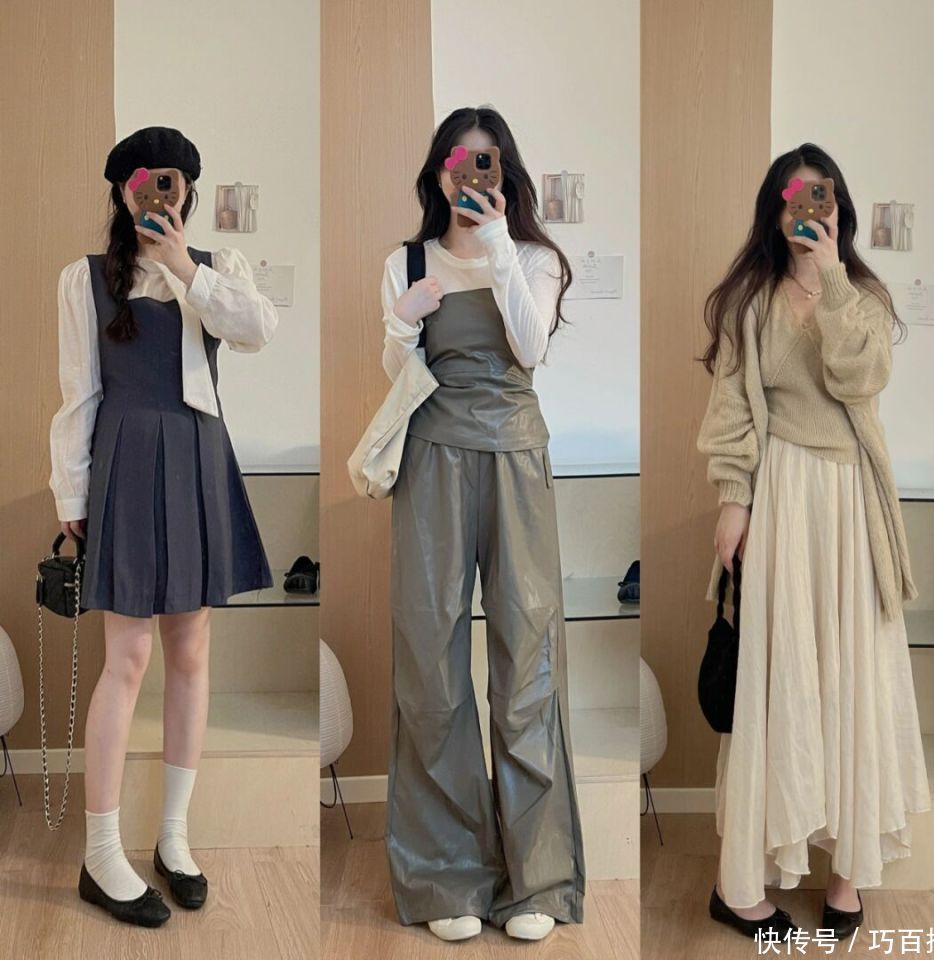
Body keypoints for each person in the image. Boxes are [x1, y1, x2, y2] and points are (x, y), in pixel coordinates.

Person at [697, 143, 931, 941]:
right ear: (775, 208)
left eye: (821, 198)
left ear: (839, 208)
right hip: (780, 499)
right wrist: (734, 499)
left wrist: (830, 276)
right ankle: (739, 889)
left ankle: (845, 876)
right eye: (795, 198)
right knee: (782, 682)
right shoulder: (749, 301)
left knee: (851, 680)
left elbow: (859, 379)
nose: (808, 211)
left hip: (850, 506)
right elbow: (733, 405)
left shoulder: (862, 296)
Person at [49, 126, 278, 927]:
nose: (157, 193)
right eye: (144, 180)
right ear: (123, 190)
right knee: (127, 658)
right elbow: (78, 392)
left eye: (171, 182)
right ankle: (100, 852)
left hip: (196, 455)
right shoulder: (84, 280)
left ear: (187, 192)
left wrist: (184, 266)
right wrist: (71, 490)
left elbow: (257, 331)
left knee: (190, 651)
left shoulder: (215, 269)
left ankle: (174, 836)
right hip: (125, 457)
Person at [378, 106, 586, 943]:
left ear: (505, 171)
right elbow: (397, 372)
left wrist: (497, 244)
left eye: (486, 162)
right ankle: (445, 876)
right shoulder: (405, 260)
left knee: (526, 656)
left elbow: (530, 350)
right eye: (457, 162)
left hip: (515, 457)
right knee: (430, 661)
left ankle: (537, 877)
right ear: (438, 171)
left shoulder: (535, 257)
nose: (470, 175)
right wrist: (403, 317)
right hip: (431, 456)